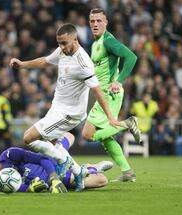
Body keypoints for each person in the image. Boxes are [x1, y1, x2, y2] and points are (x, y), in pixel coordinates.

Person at [9, 23, 119, 191]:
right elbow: (45, 61)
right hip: (57, 108)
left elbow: (96, 91)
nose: (61, 47)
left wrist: (110, 116)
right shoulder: (62, 51)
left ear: (75, 39)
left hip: (69, 113)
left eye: (64, 43)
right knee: (51, 147)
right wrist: (22, 64)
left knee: (29, 137)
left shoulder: (83, 63)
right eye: (59, 43)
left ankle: (68, 164)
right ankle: (79, 171)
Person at [81, 8, 140, 182]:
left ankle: (127, 123)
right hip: (103, 94)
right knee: (106, 138)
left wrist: (119, 80)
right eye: (92, 21)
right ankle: (127, 172)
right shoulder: (95, 44)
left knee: (87, 134)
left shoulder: (108, 41)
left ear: (106, 23)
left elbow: (131, 57)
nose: (95, 24)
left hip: (110, 94)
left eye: (99, 21)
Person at [0, 133, 113, 193]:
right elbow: (20, 188)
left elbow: (41, 158)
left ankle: (86, 167)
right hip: (53, 179)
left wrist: (53, 177)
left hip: (52, 168)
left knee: (69, 136)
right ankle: (88, 168)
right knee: (102, 180)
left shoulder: (10, 155)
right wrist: (30, 189)